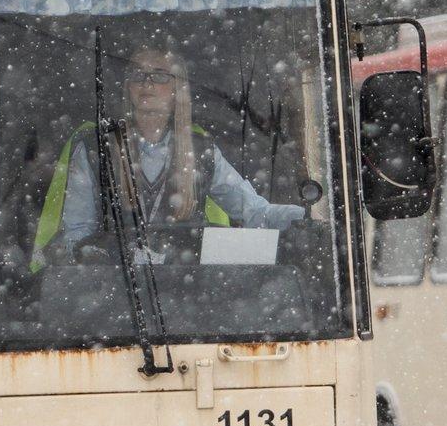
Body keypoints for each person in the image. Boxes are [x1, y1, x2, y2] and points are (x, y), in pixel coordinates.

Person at [31, 44, 306, 269]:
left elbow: (254, 212)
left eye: (160, 75)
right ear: (128, 87)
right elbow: (78, 234)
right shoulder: (95, 149)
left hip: (186, 304)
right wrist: (111, 259)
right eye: (138, 75)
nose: (147, 83)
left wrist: (301, 218)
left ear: (177, 90)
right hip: (117, 300)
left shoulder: (201, 151)